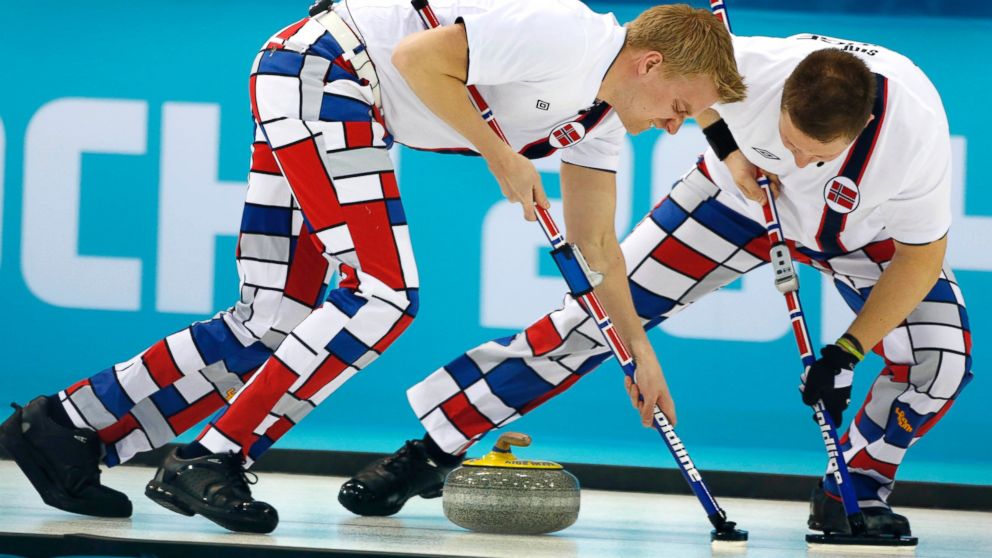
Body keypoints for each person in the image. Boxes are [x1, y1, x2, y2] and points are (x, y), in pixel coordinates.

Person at [0, 0, 744, 534]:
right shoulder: (567, 33)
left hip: (321, 88)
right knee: (383, 294)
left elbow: (599, 249)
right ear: (650, 64)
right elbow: (418, 59)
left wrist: (639, 351)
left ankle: (66, 427)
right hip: (323, 70)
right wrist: (499, 155)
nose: (679, 125)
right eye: (682, 105)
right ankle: (212, 456)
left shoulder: (602, 125)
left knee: (276, 321)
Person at [340, 33, 971, 540]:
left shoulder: (914, 138)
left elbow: (920, 260)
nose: (799, 163)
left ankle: (850, 495)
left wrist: (847, 351)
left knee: (940, 362)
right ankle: (431, 450)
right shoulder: (746, 66)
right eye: (788, 142)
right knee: (597, 319)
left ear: (861, 127)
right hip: (737, 204)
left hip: (871, 237)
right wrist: (730, 152)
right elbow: (686, 95)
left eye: (816, 156)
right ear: (776, 98)